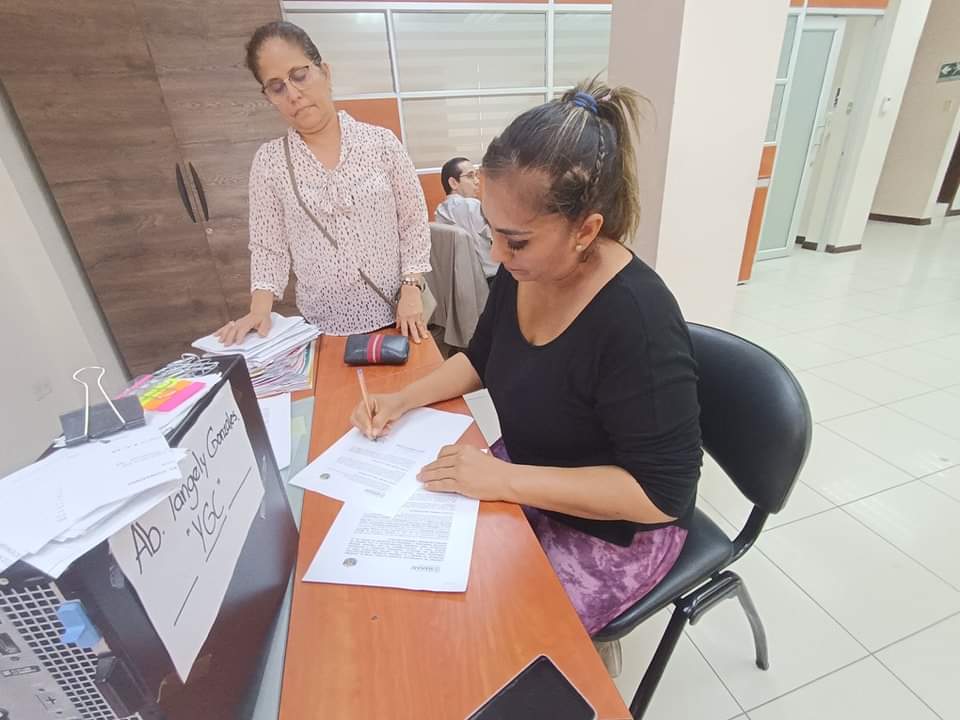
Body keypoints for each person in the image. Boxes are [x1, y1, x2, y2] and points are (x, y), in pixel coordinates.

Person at [349, 79, 702, 638]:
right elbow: (482, 357)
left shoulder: (636, 320)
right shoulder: (528, 269)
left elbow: (661, 496)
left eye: (515, 241)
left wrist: (506, 481)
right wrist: (402, 399)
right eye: (491, 231)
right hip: (525, 471)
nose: (497, 254)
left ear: (586, 230)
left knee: (487, 634)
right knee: (409, 591)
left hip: (613, 526)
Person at [215, 21, 432, 346]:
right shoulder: (270, 162)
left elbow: (413, 221)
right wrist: (259, 310)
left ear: (324, 72)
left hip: (400, 316)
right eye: (276, 87)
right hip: (323, 328)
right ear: (268, 96)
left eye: (299, 75)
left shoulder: (381, 143)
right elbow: (268, 245)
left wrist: (412, 287)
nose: (293, 94)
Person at [436, 157, 499, 282]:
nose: (477, 181)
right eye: (470, 176)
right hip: (492, 279)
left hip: (463, 282)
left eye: (476, 176)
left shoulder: (440, 212)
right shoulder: (472, 206)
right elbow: (499, 237)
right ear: (453, 183)